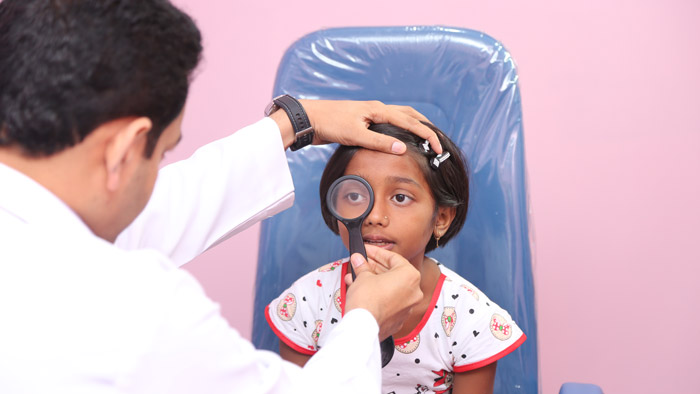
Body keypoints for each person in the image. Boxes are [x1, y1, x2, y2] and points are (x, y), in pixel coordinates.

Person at [0, 1, 444, 393]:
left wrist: (294, 122)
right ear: (124, 150)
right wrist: (366, 322)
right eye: (162, 154)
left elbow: (144, 219)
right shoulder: (134, 311)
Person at [265, 123, 526, 393]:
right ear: (335, 207)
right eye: (355, 195)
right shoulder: (304, 305)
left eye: (400, 197)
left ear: (441, 218)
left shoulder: (471, 320)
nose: (375, 216)